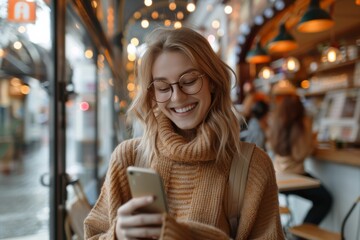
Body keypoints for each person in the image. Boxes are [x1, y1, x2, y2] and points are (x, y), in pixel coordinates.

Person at [84, 27, 284, 239]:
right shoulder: (128, 158)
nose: (177, 97)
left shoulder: (252, 166)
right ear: (152, 95)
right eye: (162, 87)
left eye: (189, 81)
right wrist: (116, 236)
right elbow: (93, 234)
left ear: (213, 82)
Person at [268, 93, 332, 225]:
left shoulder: (277, 123)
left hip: (278, 176)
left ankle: (298, 233)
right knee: (325, 200)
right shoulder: (301, 124)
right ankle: (300, 236)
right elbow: (301, 154)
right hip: (295, 176)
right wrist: (311, 138)